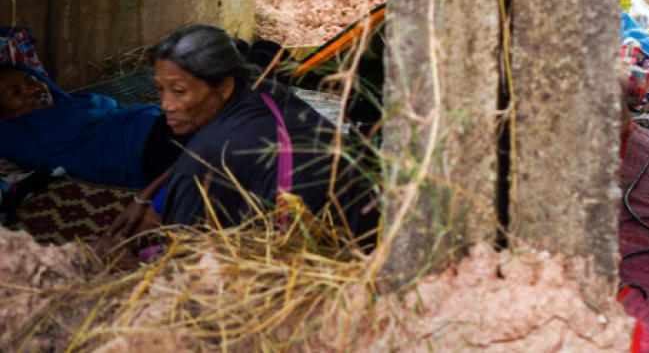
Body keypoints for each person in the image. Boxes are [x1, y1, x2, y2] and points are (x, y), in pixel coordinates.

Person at [141, 25, 377, 239]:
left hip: (337, 253)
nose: (166, 105)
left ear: (224, 86)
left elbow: (178, 255)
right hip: (370, 228)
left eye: (179, 91)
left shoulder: (210, 154)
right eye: (160, 89)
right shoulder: (268, 91)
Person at [0, 64, 186, 217]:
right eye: (15, 92)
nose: (32, 89)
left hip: (160, 122)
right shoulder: (16, 134)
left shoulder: (73, 102)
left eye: (32, 81)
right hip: (142, 150)